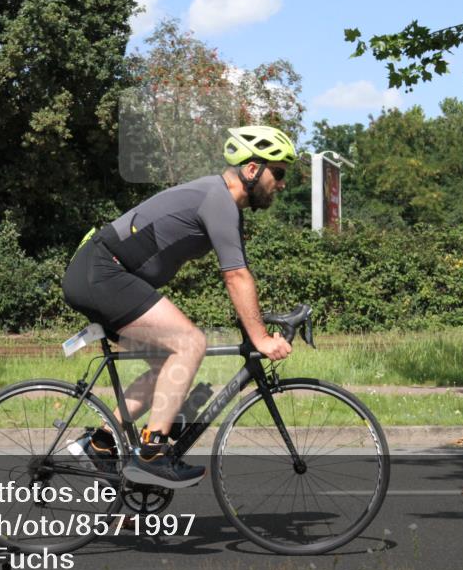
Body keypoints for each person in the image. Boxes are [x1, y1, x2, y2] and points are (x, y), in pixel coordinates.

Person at [61, 126, 296, 489]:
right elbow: (237, 277)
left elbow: (237, 279)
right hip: (102, 272)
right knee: (189, 343)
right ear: (252, 169)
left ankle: (102, 444)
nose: (281, 184)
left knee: (169, 366)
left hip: (100, 272)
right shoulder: (218, 201)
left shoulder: (218, 200)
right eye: (278, 173)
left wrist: (255, 326)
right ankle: (152, 454)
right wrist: (261, 337)